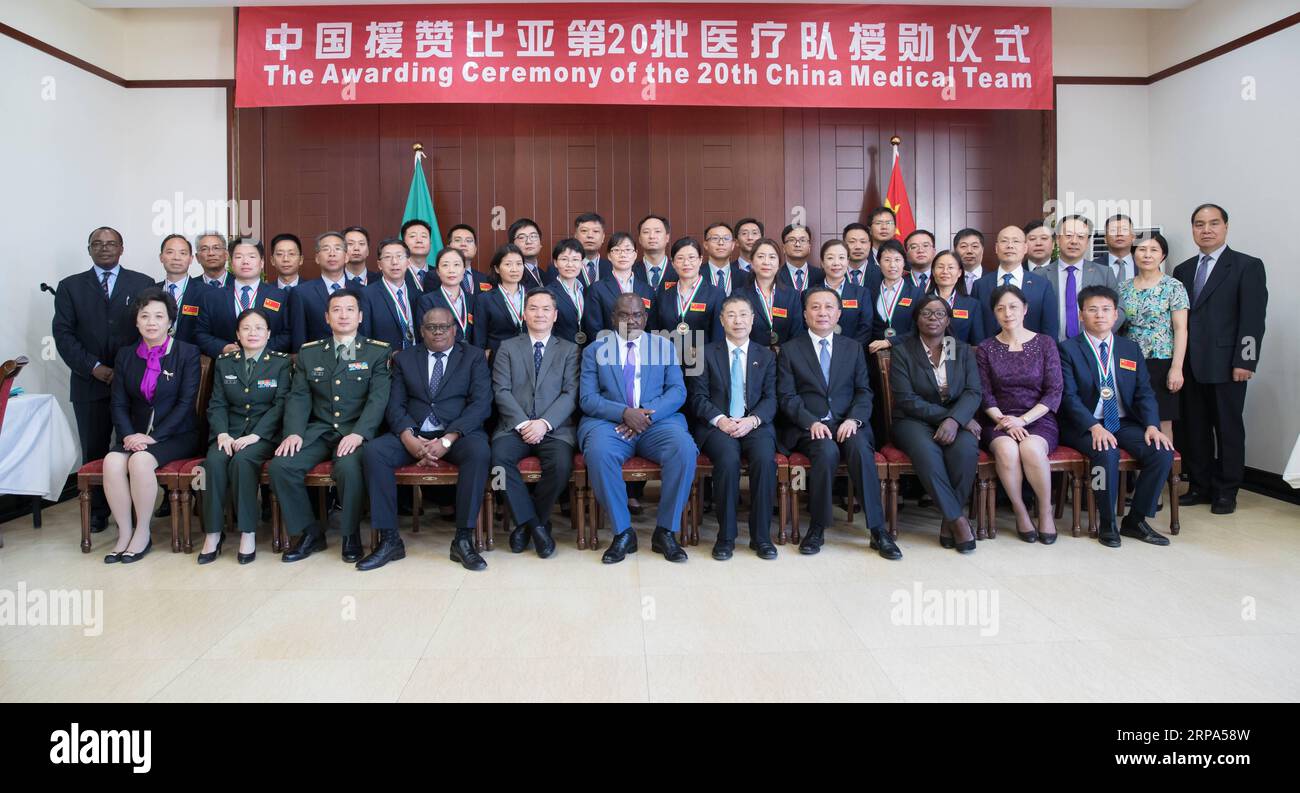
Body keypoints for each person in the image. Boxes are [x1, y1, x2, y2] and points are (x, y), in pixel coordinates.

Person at [359, 306, 493, 571]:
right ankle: (389, 540)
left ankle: (463, 539)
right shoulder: (405, 359)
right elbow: (394, 405)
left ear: (455, 329)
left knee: (479, 453)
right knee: (374, 452)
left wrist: (448, 439)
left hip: (457, 433)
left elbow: (481, 404)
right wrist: (408, 436)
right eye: (432, 327)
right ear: (422, 331)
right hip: (414, 432)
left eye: (444, 327)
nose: (438, 332)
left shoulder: (474, 357)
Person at [269, 289, 391, 564]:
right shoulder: (310, 353)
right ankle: (309, 532)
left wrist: (360, 433)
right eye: (336, 309)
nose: (343, 315)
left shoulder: (376, 352)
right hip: (320, 429)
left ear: (360, 317)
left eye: (350, 309)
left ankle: (350, 536)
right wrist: (294, 433)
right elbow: (299, 396)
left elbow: (378, 398)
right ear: (327, 317)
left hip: (355, 430)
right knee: (281, 466)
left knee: (348, 467)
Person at [777, 286, 896, 558]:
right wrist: (810, 422)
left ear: (839, 313)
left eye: (829, 307)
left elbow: (864, 391)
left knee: (859, 449)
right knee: (826, 451)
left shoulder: (853, 348)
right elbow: (786, 396)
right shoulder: (790, 349)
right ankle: (817, 527)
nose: (822, 313)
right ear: (805, 314)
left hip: (848, 423)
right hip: (809, 427)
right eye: (815, 307)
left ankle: (878, 530)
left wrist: (854, 419)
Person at [578, 294, 697, 564]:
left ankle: (666, 531)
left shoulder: (664, 347)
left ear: (645, 318)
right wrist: (624, 413)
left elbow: (677, 392)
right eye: (623, 315)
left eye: (636, 315)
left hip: (657, 422)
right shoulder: (594, 350)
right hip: (611, 424)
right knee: (598, 453)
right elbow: (588, 398)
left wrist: (644, 414)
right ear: (613, 319)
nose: (630, 320)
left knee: (684, 449)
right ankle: (623, 532)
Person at [53, 228, 156, 532]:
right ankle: (99, 512)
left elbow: (149, 330)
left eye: (111, 244)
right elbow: (63, 334)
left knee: (135, 448)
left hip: (134, 382)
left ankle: (137, 510)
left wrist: (128, 369)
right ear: (89, 250)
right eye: (97, 244)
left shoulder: (142, 283)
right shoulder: (70, 287)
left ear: (122, 248)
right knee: (95, 449)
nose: (105, 249)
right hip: (89, 383)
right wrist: (93, 366)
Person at [1059, 286, 1175, 547]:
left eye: (1106, 309)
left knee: (1161, 451)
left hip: (1122, 422)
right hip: (1085, 424)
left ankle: (1136, 520)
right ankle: (1108, 522)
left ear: (1115, 315)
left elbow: (1145, 392)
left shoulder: (1129, 349)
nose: (1099, 315)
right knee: (1106, 452)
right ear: (1080, 315)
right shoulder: (1067, 349)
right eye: (1092, 309)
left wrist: (1152, 426)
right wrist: (1092, 426)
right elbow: (1068, 397)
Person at [1172, 203, 1268, 514]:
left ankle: (1227, 490)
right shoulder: (1183, 270)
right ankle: (1199, 485)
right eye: (1199, 224)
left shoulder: (1246, 266)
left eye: (1214, 223)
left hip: (1228, 364)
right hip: (1190, 364)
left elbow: (1253, 319)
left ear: (1226, 227)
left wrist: (1246, 361)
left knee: (1227, 428)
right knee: (1194, 428)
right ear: (1193, 230)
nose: (1206, 229)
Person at [101, 288, 201, 563]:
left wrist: (153, 438)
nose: (151, 322)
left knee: (140, 462)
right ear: (136, 321)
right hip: (134, 432)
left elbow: (185, 403)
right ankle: (124, 532)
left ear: (170, 321)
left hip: (175, 434)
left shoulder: (187, 353)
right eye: (145, 316)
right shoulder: (126, 355)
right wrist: (128, 436)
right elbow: (118, 403)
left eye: (159, 316)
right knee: (111, 461)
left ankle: (142, 532)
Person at [686, 295, 779, 560]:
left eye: (743, 315)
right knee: (727, 461)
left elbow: (772, 398)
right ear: (722, 320)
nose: (737, 320)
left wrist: (752, 420)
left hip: (755, 425)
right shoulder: (702, 352)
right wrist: (721, 420)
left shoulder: (767, 355)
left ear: (752, 319)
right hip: (717, 426)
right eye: (731, 315)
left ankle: (760, 537)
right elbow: (697, 398)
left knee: (764, 460)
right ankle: (725, 537)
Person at [888, 294, 982, 552]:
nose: (933, 318)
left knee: (965, 450)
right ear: (916, 318)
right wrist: (948, 418)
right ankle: (958, 520)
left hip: (956, 419)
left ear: (948, 319)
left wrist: (955, 419)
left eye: (940, 313)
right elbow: (906, 399)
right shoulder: (904, 350)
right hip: (912, 421)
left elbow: (973, 392)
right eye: (926, 313)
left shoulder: (958, 348)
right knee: (928, 453)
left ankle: (946, 521)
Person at [198, 308, 292, 564]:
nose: (253, 333)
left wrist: (257, 435)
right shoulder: (225, 362)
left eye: (259, 328)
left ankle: (247, 531)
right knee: (213, 463)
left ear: (268, 333)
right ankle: (213, 533)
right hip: (229, 433)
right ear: (237, 334)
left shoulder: (281, 362)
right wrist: (223, 434)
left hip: (264, 436)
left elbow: (281, 405)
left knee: (242, 462)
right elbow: (217, 403)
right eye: (246, 328)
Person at [491, 289, 580, 558]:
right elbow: (501, 391)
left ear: (555, 315)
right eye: (533, 308)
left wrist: (544, 423)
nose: (539, 314)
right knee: (497, 468)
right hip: (512, 427)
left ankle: (527, 525)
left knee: (561, 466)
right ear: (523, 313)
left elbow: (570, 393)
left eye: (545, 309)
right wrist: (522, 423)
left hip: (555, 429)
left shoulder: (570, 349)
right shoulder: (507, 347)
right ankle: (537, 526)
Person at [976, 285, 1063, 543]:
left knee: (1031, 449)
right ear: (994, 313)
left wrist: (1023, 420)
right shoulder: (986, 348)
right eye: (1000, 308)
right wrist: (1005, 421)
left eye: (1013, 306)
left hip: (1038, 418)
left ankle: (1045, 511)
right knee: (1007, 450)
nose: (1007, 313)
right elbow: (985, 393)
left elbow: (1054, 390)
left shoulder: (1045, 343)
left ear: (1025, 309)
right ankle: (1020, 510)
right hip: (998, 419)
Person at [1118, 233, 1188, 441]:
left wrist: (1176, 368)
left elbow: (1180, 328)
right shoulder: (1123, 288)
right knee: (1132, 418)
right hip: (1128, 361)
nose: (1147, 255)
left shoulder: (1173, 286)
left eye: (1154, 250)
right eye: (1141, 249)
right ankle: (1137, 473)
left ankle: (1164, 470)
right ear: (1133, 254)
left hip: (1162, 361)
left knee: (1162, 420)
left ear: (1163, 255)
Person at [195, 238, 291, 358]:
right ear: (231, 262)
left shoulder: (280, 296)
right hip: (226, 365)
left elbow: (288, 334)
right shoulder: (212, 298)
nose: (245, 261)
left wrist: (260, 349)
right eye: (239, 257)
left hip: (268, 365)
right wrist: (223, 347)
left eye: (251, 256)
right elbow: (201, 334)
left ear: (261, 263)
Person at [1040, 215, 1124, 341]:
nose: (1074, 241)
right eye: (1068, 235)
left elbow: (1120, 309)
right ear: (1057, 239)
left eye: (1080, 237)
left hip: (1093, 346)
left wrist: (1100, 335)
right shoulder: (1040, 275)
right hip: (1051, 348)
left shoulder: (1104, 273)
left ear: (1087, 241)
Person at [972, 225, 1059, 340]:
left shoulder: (1042, 285)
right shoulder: (980, 285)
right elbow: (976, 329)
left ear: (1025, 248)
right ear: (996, 248)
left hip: (1031, 355)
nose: (1010, 246)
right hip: (989, 354)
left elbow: (1049, 331)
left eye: (1016, 241)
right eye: (1004, 241)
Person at [649, 237, 723, 350]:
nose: (686, 263)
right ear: (672, 263)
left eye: (692, 257)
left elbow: (718, 336)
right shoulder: (663, 295)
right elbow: (656, 332)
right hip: (669, 362)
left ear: (700, 260)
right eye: (680, 258)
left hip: (702, 363)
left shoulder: (716, 294)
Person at [584, 231, 655, 341]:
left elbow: (651, 327)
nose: (623, 254)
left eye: (627, 250)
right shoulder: (597, 289)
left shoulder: (647, 290)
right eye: (616, 250)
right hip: (609, 351)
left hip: (641, 352)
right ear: (609, 256)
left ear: (635, 254)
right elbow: (594, 329)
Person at [290, 231, 353, 352]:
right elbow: (299, 334)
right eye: (326, 249)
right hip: (318, 360)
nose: (332, 254)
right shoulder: (302, 292)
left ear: (346, 257)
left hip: (355, 357)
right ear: (317, 258)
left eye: (337, 248)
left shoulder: (361, 291)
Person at [736, 238, 804, 349]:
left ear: (778, 263)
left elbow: (797, 334)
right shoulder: (739, 296)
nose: (766, 262)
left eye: (772, 257)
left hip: (785, 360)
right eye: (760, 257)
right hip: (751, 359)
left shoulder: (792, 295)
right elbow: (736, 333)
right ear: (752, 263)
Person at [415, 246, 487, 348]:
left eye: (457, 265)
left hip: (471, 358)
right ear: (438, 272)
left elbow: (479, 334)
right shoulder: (427, 301)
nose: (451, 270)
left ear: (463, 270)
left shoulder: (473, 300)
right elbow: (425, 335)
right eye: (445, 265)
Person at [360, 238, 423, 351]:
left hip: (415, 361)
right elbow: (365, 336)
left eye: (399, 256)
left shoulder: (418, 295)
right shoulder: (367, 295)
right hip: (384, 364)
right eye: (388, 257)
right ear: (379, 264)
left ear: (408, 262)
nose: (394, 262)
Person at [157, 233, 210, 345]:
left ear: (191, 259)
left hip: (193, 358)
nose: (176, 258)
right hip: (154, 357)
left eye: (183, 253)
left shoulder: (207, 293)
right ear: (161, 257)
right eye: (170, 252)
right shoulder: (151, 291)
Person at [867, 240, 919, 353]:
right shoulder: (870, 293)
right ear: (879, 262)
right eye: (887, 260)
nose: (892, 265)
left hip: (907, 355)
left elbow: (918, 329)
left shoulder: (916, 293)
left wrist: (890, 342)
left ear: (904, 262)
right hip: (875, 357)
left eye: (897, 260)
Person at [818, 239, 872, 347]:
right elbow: (806, 326)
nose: (836, 263)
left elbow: (866, 328)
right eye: (830, 258)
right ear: (822, 263)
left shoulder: (861, 293)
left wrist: (850, 350)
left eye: (841, 258)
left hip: (852, 355)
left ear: (847, 262)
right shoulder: (810, 294)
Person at [479, 243, 529, 356]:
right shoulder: (485, 299)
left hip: (529, 355)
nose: (514, 269)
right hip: (498, 356)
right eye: (508, 264)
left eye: (519, 264)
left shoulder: (533, 295)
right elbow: (480, 336)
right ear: (497, 268)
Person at [925, 250, 981, 343]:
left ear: (959, 272)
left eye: (950, 267)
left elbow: (977, 342)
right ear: (933, 272)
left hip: (960, 356)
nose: (945, 271)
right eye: (940, 267)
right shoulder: (921, 301)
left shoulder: (972, 305)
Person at [545, 238, 592, 346]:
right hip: (560, 354)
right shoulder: (547, 293)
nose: (570, 264)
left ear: (582, 263)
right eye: (564, 259)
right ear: (556, 263)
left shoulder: (588, 291)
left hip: (586, 352)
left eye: (575, 260)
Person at [703, 221, 748, 295]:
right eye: (715, 238)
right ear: (706, 245)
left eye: (726, 238)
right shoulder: (696, 275)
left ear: (733, 245)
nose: (721, 243)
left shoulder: (745, 277)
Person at [777, 223, 823, 293]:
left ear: (809, 247)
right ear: (783, 248)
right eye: (792, 240)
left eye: (802, 240)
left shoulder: (821, 275)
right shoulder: (776, 276)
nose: (797, 244)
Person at [634, 214, 676, 289]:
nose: (652, 236)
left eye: (657, 231)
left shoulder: (678, 270)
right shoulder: (631, 271)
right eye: (646, 232)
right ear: (640, 239)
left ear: (667, 237)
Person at [445, 223, 491, 292]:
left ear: (475, 249)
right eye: (457, 240)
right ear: (448, 248)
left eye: (469, 240)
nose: (463, 244)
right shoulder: (438, 277)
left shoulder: (485, 279)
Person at [510, 218, 553, 288]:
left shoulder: (543, 274)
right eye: (521, 237)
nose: (529, 241)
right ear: (512, 245)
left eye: (533, 236)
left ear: (540, 244)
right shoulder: (512, 273)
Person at [573, 213, 613, 287]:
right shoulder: (558, 268)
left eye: (595, 231)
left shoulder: (613, 267)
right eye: (584, 231)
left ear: (603, 237)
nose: (590, 236)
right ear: (575, 236)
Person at [1096, 214, 1137, 282]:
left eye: (1124, 230)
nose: (1119, 234)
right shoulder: (1094, 266)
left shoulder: (1147, 265)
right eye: (1113, 230)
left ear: (1133, 237)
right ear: (1105, 239)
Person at [843, 222, 881, 291]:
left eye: (863, 242)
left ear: (870, 245)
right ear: (844, 245)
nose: (858, 247)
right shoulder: (835, 272)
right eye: (852, 241)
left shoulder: (880, 273)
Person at [401, 219, 436, 290]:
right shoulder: (395, 273)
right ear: (403, 243)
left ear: (430, 243)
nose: (419, 241)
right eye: (412, 236)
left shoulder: (440, 274)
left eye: (424, 236)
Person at [953, 228, 985, 295]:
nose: (969, 251)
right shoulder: (949, 278)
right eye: (964, 246)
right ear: (955, 250)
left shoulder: (994, 279)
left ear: (982, 250)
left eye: (975, 246)